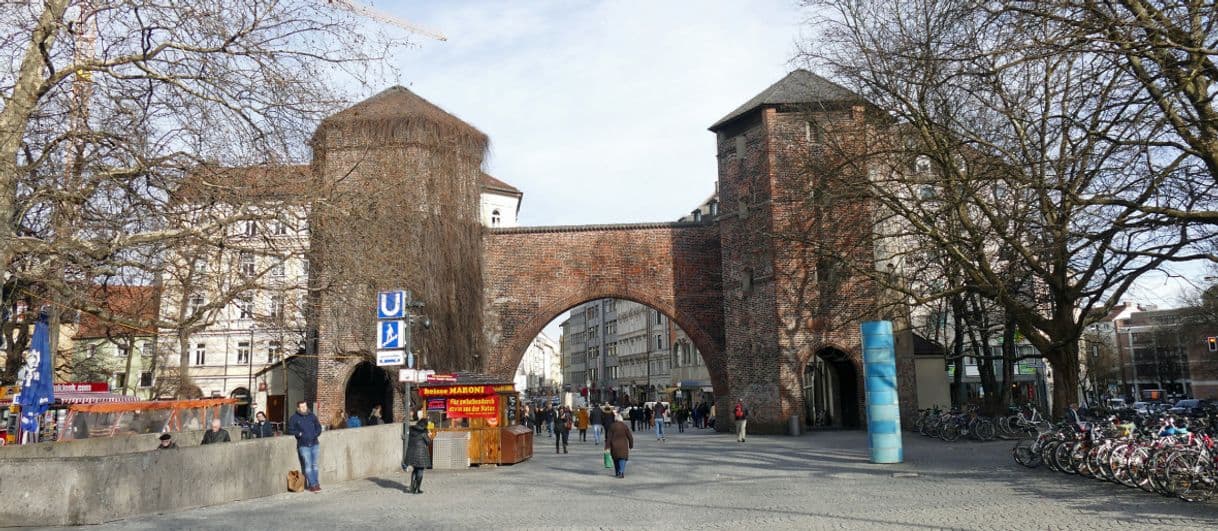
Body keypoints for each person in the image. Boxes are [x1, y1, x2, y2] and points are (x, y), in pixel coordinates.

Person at [287, 401, 324, 492]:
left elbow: (318, 426)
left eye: (305, 406)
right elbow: (290, 430)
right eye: (302, 407)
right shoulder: (294, 418)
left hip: (315, 443)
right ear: (298, 408)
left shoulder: (312, 416)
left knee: (314, 465)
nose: (304, 408)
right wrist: (299, 434)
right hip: (303, 445)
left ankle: (316, 483)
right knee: (308, 466)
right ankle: (313, 485)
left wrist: (316, 433)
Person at [406, 417, 432, 494]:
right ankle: (417, 488)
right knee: (420, 470)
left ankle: (412, 488)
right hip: (421, 454)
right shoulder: (423, 432)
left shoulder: (411, 430)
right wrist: (430, 436)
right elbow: (428, 442)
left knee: (415, 470)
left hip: (412, 453)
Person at [605, 413, 634, 479]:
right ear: (621, 419)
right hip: (623, 445)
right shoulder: (624, 426)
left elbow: (609, 437)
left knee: (616, 459)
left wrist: (607, 447)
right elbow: (630, 436)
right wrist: (631, 445)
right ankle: (621, 472)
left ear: (615, 419)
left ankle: (617, 472)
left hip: (614, 445)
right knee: (623, 458)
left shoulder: (612, 426)